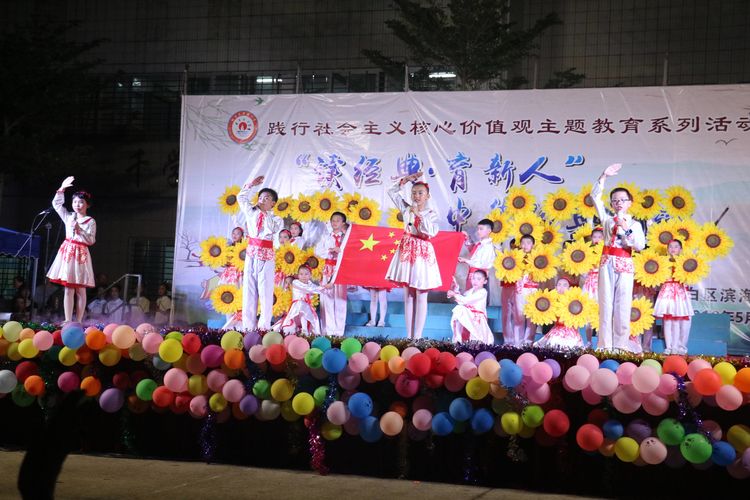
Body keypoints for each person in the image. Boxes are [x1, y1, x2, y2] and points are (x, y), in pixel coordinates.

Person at [592, 163, 646, 352]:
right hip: (607, 262)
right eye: (615, 200)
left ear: (630, 202)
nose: (619, 203)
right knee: (605, 304)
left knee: (622, 306)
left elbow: (639, 245)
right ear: (612, 204)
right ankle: (604, 346)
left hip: (625, 263)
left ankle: (621, 346)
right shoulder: (607, 220)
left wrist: (626, 228)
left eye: (623, 200)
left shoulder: (635, 225)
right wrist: (603, 176)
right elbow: (595, 197)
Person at [385, 172, 441, 339]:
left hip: (422, 253)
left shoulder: (431, 213)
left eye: (420, 193)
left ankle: (418, 336)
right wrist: (405, 181)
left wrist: (418, 215)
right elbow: (391, 192)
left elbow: (431, 231)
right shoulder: (407, 208)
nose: (417, 196)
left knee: (421, 294)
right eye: (414, 193)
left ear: (427, 196)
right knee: (408, 294)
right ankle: (409, 336)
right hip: (407, 250)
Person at [46, 176, 96, 323]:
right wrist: (61, 190)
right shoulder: (69, 217)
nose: (77, 205)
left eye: (81, 202)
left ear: (87, 205)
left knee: (80, 289)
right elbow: (56, 205)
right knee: (68, 288)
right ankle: (68, 320)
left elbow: (91, 240)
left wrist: (79, 229)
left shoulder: (90, 221)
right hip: (68, 252)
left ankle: (79, 320)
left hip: (80, 254)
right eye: (75, 202)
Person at [237, 175, 282, 331]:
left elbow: (272, 229)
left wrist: (264, 212)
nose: (262, 200)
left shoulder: (276, 218)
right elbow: (241, 197)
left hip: (266, 256)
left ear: (273, 203)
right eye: (261, 197)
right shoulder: (251, 211)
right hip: (251, 254)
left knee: (265, 292)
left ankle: (263, 328)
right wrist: (251, 185)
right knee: (249, 291)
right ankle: (248, 327)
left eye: (266, 198)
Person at [653, 239, 694, 355]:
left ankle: (678, 346)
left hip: (679, 292)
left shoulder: (685, 263)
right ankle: (669, 346)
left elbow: (690, 278)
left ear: (681, 249)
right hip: (667, 292)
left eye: (676, 247)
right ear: (667, 249)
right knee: (667, 320)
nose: (673, 249)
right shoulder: (663, 262)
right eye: (670, 246)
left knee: (678, 320)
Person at [272, 264, 331, 335]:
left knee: (309, 313)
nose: (304, 276)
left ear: (310, 275)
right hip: (296, 308)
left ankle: (305, 330)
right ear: (298, 275)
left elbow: (317, 289)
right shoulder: (296, 283)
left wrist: (327, 288)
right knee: (301, 305)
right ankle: (302, 330)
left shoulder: (310, 284)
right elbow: (309, 289)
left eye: (306, 274)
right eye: (301, 274)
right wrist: (324, 287)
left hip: (306, 307)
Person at [316, 211, 348, 336]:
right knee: (327, 298)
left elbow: (350, 252)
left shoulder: (346, 237)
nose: (335, 223)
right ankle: (329, 330)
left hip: (341, 270)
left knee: (340, 299)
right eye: (333, 220)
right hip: (327, 269)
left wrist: (341, 251)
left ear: (343, 223)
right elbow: (318, 251)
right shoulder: (326, 236)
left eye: (338, 220)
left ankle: (339, 331)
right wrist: (330, 251)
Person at [504, 234, 538, 347]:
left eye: (528, 243)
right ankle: (517, 344)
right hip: (519, 291)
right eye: (523, 243)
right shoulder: (516, 258)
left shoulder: (538, 259)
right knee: (518, 317)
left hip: (533, 292)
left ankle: (528, 343)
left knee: (531, 319)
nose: (525, 245)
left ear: (533, 244)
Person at [533, 277, 584, 349]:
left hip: (570, 331)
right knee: (553, 344)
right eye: (559, 285)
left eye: (565, 285)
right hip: (557, 329)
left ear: (569, 288)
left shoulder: (574, 301)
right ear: (555, 287)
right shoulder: (551, 301)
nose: (561, 287)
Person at [448, 270, 493, 344]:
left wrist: (454, 294)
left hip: (477, 318)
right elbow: (462, 301)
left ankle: (461, 339)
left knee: (477, 341)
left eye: (478, 279)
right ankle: (458, 338)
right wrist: (455, 288)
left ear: (485, 281)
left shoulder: (483, 292)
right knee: (459, 309)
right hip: (470, 316)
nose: (475, 281)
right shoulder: (469, 291)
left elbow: (466, 300)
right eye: (473, 278)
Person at [581, 226, 604, 347]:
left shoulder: (606, 253)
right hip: (589, 285)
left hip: (602, 285)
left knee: (601, 313)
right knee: (588, 313)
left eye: (600, 237)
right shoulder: (587, 253)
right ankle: (589, 342)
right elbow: (583, 272)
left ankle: (601, 342)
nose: (597, 239)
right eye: (594, 237)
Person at [459, 218, 497, 290]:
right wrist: (467, 238)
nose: (478, 231)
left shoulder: (488, 246)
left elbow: (481, 264)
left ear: (489, 231)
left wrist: (466, 260)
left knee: (476, 294)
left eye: (481, 229)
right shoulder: (480, 244)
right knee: (469, 293)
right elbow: (473, 251)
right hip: (473, 274)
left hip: (479, 276)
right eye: (478, 229)